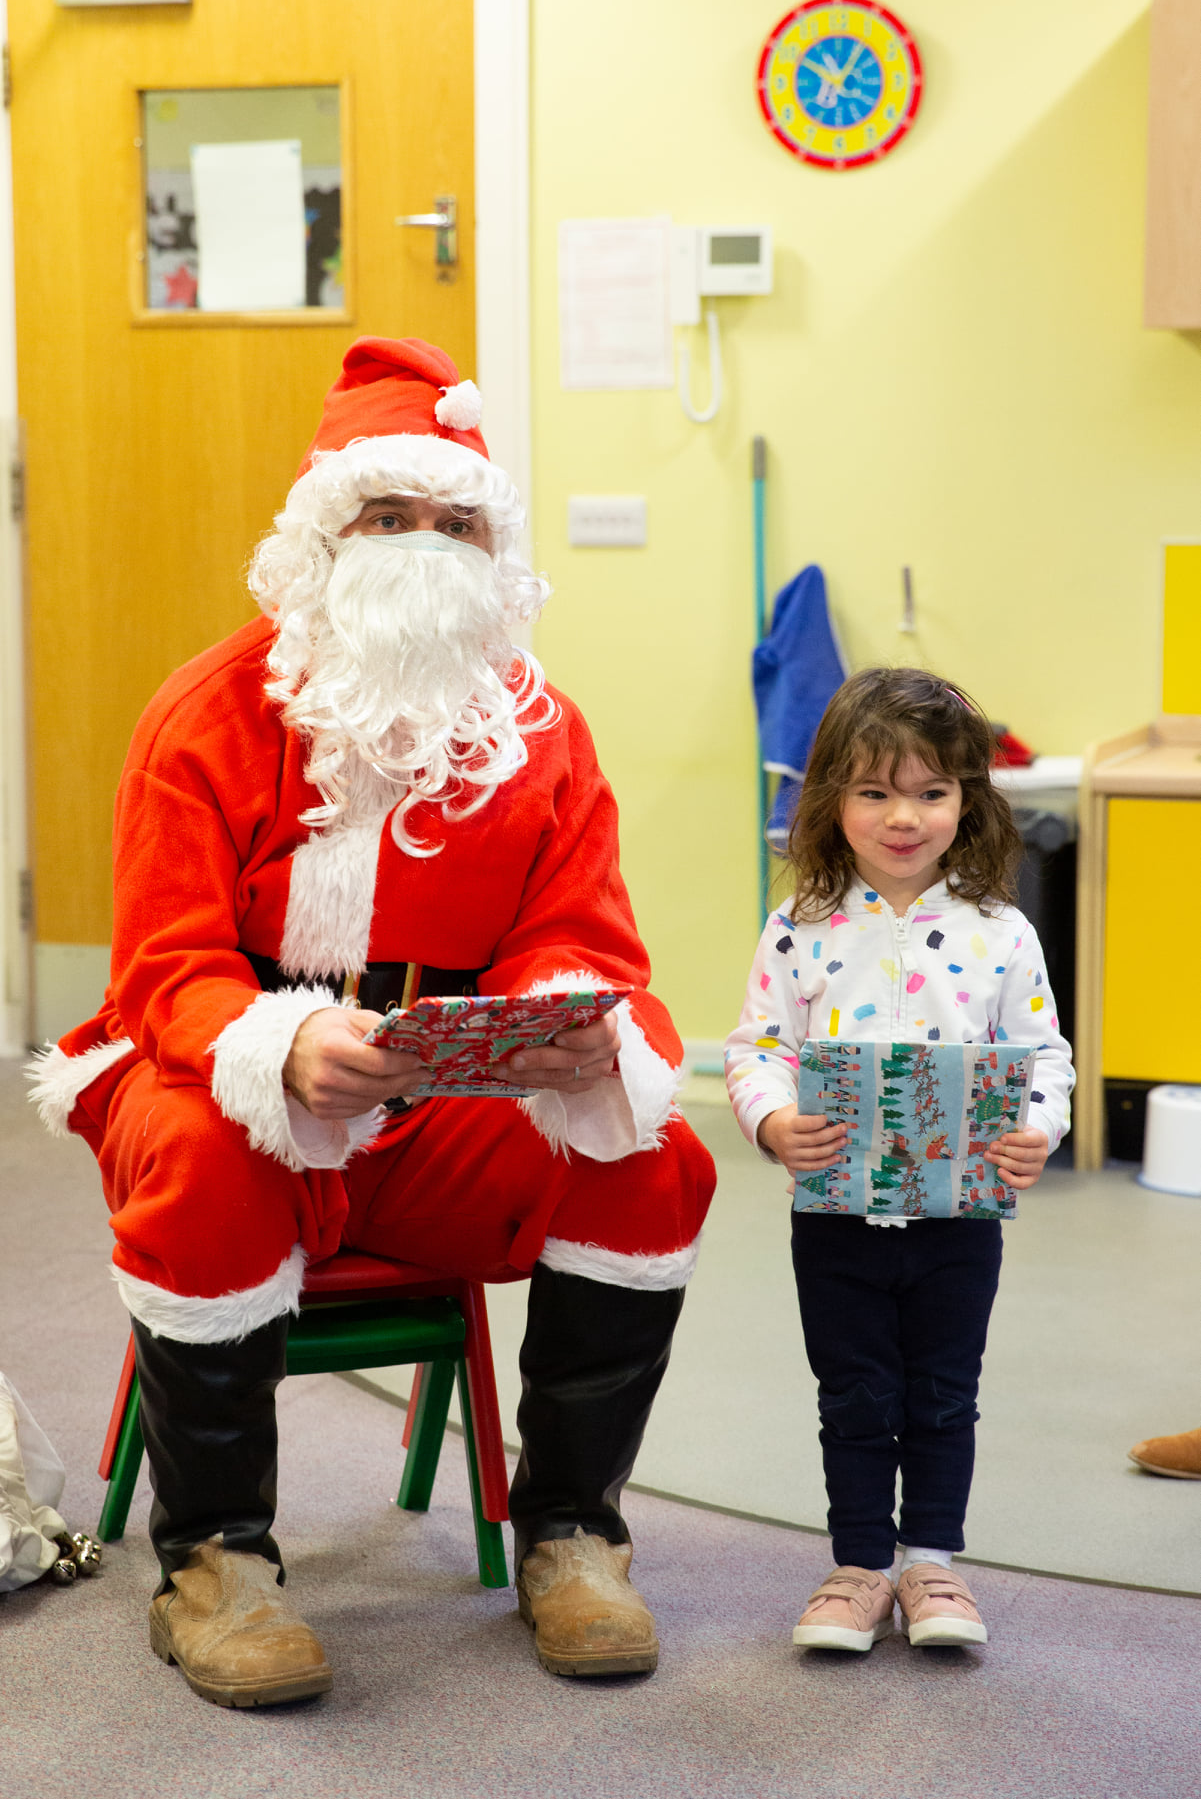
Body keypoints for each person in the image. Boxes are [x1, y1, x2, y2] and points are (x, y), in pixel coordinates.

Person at [28, 336, 715, 1707]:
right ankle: (216, 1565)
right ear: (324, 536)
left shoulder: (545, 732)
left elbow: (583, 931)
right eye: (387, 516)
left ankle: (573, 1533)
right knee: (203, 1147)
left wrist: (560, 1028)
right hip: (220, 1080)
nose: (422, 546)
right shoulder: (209, 712)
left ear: (491, 549)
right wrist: (280, 1046)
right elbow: (164, 967)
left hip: (441, 1103)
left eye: (453, 522)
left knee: (653, 1158)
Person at [724, 668, 1073, 1652]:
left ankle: (931, 1561)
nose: (903, 816)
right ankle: (859, 1564)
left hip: (959, 1219)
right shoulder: (798, 929)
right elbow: (758, 1049)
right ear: (831, 798)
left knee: (942, 1392)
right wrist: (770, 1122)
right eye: (874, 791)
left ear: (967, 796)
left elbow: (1044, 1056)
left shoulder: (1001, 933)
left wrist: (1035, 1128)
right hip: (833, 1217)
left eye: (929, 791)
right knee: (853, 1394)